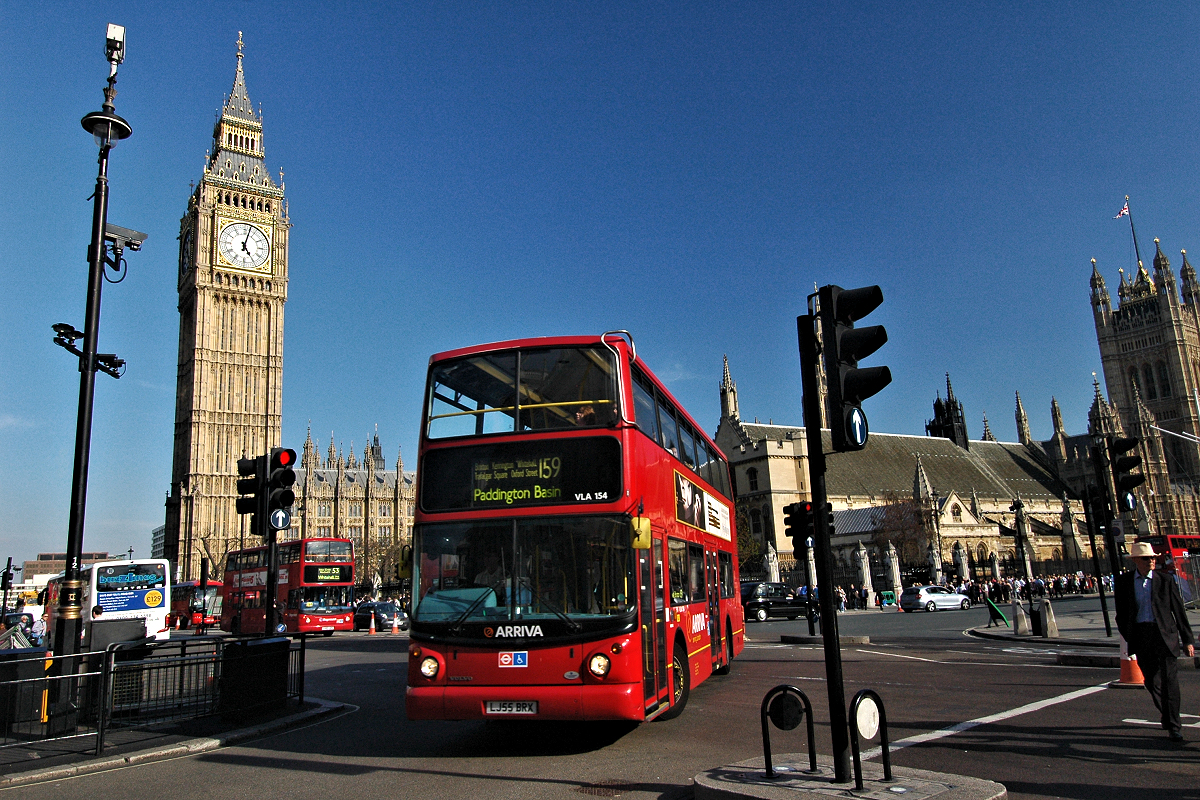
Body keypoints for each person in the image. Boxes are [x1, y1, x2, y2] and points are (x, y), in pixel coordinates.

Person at [1115, 541, 1195, 742]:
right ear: (1135, 561)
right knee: (1151, 681)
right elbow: (1121, 614)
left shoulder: (1165, 580)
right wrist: (1129, 636)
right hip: (1142, 635)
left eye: (1152, 557)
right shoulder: (1124, 582)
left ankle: (1174, 726)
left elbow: (1179, 611)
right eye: (1146, 558)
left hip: (1165, 635)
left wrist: (1187, 640)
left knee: (1170, 682)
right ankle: (1167, 713)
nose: (1151, 561)